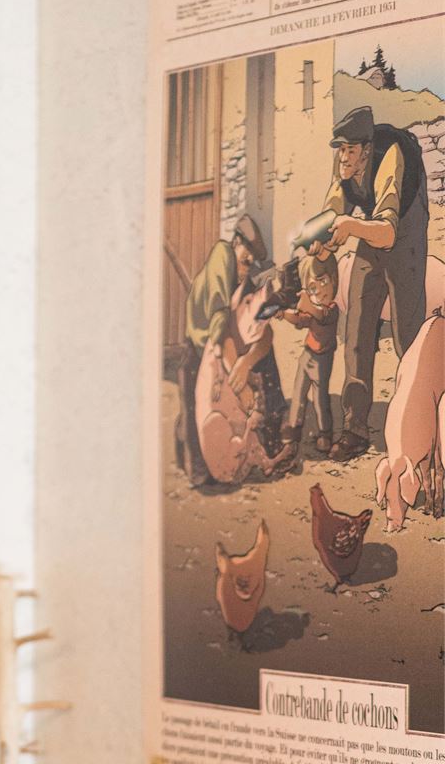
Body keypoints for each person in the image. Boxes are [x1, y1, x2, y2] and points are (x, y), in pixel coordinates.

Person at [319, 105, 428, 459]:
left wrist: (350, 227)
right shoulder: (344, 164)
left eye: (350, 150)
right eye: (340, 149)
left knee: (408, 332)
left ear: (366, 150)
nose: (343, 157)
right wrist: (323, 240)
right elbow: (334, 212)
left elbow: (388, 232)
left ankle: (422, 426)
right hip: (372, 228)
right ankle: (354, 428)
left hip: (403, 229)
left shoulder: (389, 157)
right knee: (357, 326)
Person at [179, 215, 268, 487]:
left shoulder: (236, 279)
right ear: (236, 242)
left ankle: (207, 466)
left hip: (208, 348)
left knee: (197, 409)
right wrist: (221, 345)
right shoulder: (222, 254)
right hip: (200, 348)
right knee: (193, 411)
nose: (245, 270)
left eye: (250, 265)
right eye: (245, 261)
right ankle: (199, 474)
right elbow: (219, 312)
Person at [279, 252, 340, 462]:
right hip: (307, 354)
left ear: (334, 280)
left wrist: (307, 304)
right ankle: (294, 427)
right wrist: (284, 314)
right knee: (298, 393)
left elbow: (320, 316)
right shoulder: (312, 308)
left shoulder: (331, 309)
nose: (320, 290)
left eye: (324, 282)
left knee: (320, 399)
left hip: (323, 359)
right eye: (313, 288)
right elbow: (300, 320)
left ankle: (325, 433)